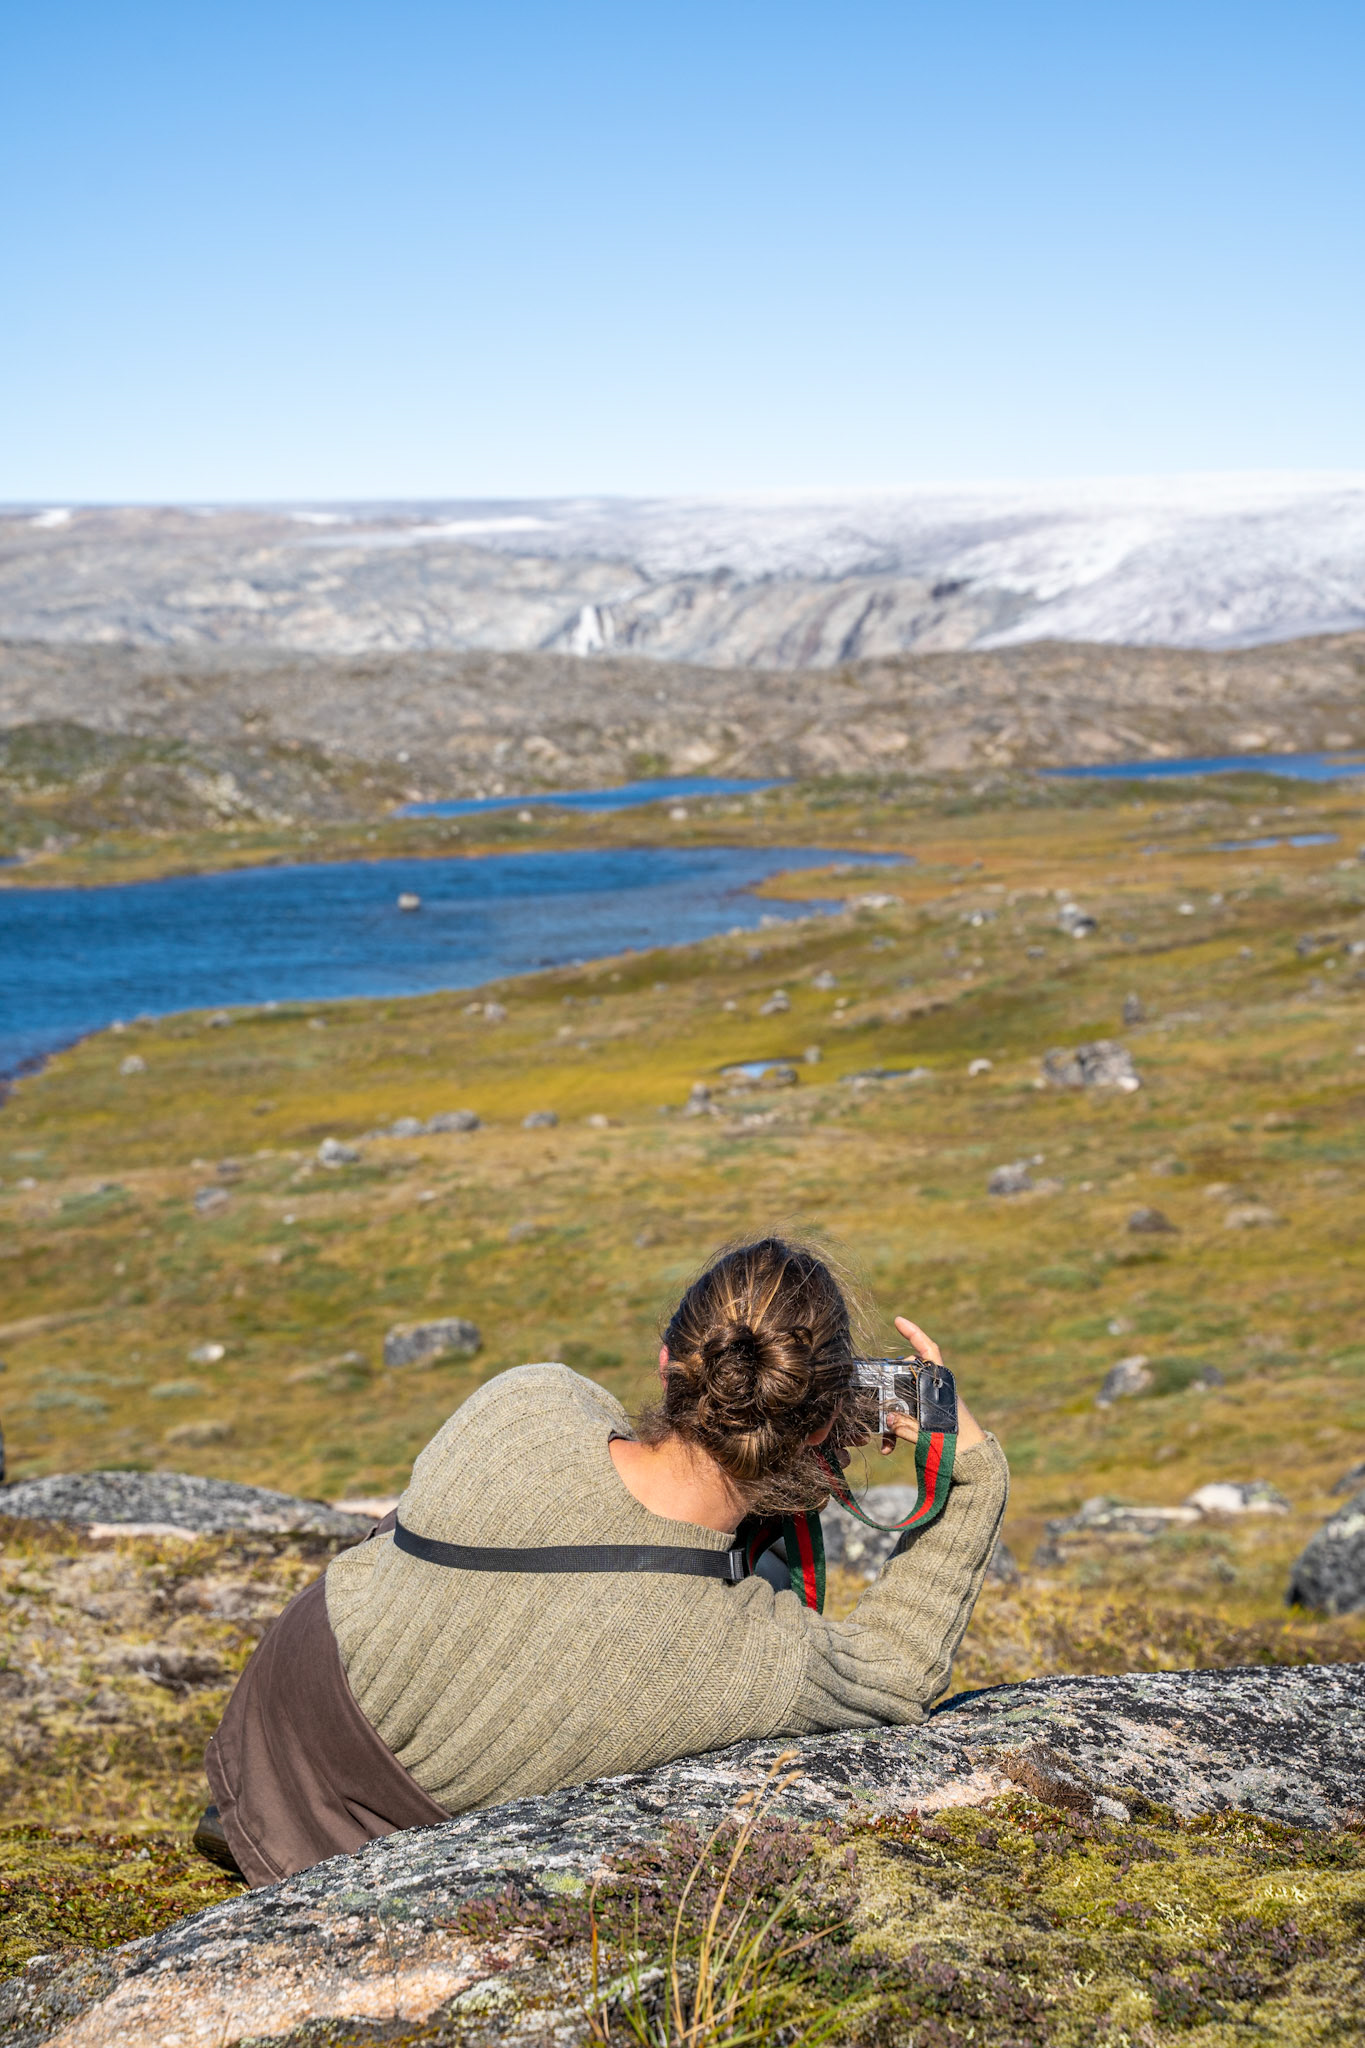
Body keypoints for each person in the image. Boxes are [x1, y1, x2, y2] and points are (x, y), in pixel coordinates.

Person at [202, 1237, 1008, 1887]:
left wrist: (775, 1431)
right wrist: (971, 1472)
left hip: (280, 1698)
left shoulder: (527, 1401)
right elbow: (895, 1670)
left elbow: (632, 1455)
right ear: (818, 1426)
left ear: (668, 1361)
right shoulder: (757, 1662)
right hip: (350, 1826)